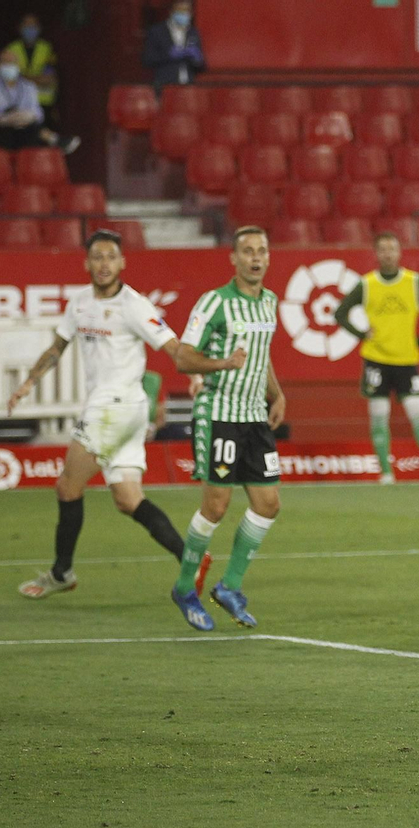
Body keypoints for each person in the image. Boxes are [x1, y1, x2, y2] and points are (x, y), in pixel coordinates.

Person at [8, 230, 237, 600]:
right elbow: (57, 347)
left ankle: (61, 572)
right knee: (128, 499)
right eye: (97, 257)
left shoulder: (134, 305)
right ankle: (190, 559)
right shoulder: (79, 303)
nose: (103, 264)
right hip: (125, 412)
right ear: (87, 262)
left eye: (110, 257)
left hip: (114, 408)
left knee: (68, 487)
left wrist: (197, 372)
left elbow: (172, 345)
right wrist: (28, 383)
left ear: (122, 262)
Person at [168, 227, 287, 632]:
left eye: (262, 250)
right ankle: (185, 588)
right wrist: (222, 364)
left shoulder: (269, 302)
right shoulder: (215, 302)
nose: (255, 257)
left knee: (268, 503)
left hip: (255, 416)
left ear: (268, 258)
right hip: (219, 414)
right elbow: (184, 357)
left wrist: (278, 394)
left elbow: (261, 356)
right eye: (247, 251)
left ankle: (229, 587)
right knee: (216, 506)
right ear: (233, 259)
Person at [333, 233, 419, 484]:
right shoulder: (367, 284)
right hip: (376, 359)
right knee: (379, 415)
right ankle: (386, 473)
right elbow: (340, 312)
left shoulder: (414, 282)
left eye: (392, 249)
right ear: (376, 254)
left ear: (399, 252)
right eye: (383, 249)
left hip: (406, 360)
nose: (388, 254)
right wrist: (361, 334)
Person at [0, 47, 78, 152]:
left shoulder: (28, 87)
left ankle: (50, 146)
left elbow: (37, 114)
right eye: (5, 62)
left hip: (24, 129)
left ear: (18, 65)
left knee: (31, 132)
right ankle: (55, 139)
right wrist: (8, 119)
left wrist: (23, 117)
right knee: (19, 133)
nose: (8, 65)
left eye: (11, 62)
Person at [4, 14, 57, 128]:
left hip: (43, 102)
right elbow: (8, 78)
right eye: (26, 25)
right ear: (19, 28)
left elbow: (48, 79)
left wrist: (22, 77)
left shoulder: (47, 48)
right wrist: (35, 78)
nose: (30, 29)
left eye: (33, 26)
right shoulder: (11, 49)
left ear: (39, 28)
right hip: (18, 102)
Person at [142, 1, 205, 92]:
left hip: (188, 87)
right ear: (171, 11)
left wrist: (197, 60)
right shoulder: (157, 31)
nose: (184, 14)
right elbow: (147, 59)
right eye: (180, 10)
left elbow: (202, 66)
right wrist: (169, 55)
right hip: (164, 86)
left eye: (187, 11)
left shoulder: (193, 33)